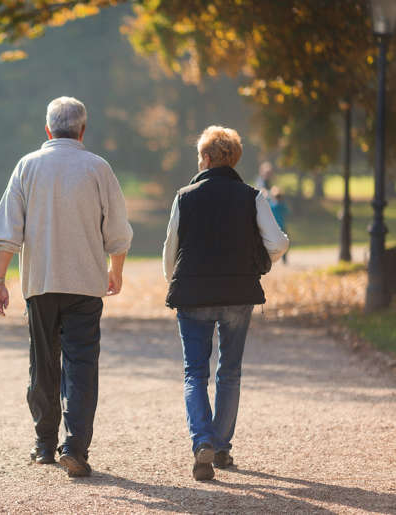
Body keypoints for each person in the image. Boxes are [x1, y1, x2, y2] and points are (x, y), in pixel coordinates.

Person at [0, 96, 133, 478]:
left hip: (41, 285)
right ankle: (76, 447)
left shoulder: (27, 167)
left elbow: (8, 232)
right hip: (86, 285)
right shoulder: (98, 168)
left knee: (43, 364)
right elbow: (117, 231)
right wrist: (115, 270)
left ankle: (44, 445)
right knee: (82, 365)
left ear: (48, 129)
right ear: (82, 130)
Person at [162, 126, 289, 481]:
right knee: (229, 372)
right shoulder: (252, 196)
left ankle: (202, 439)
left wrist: (175, 280)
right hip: (238, 294)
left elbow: (170, 250)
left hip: (193, 294)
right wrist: (258, 260)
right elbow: (277, 244)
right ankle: (220, 447)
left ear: (204, 158)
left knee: (194, 373)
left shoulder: (184, 196)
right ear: (234, 159)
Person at [268, 186, 290, 264]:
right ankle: (284, 259)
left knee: (272, 243)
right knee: (284, 243)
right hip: (281, 226)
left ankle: (272, 259)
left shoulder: (271, 205)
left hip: (274, 227)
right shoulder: (282, 205)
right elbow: (288, 213)